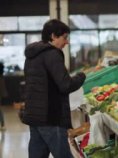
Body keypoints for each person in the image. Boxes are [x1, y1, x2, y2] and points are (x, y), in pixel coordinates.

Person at [22, 19, 86, 158]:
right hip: (50, 116)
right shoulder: (52, 54)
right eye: (64, 37)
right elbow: (65, 85)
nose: (67, 42)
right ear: (53, 36)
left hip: (34, 115)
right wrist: (82, 76)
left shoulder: (32, 55)